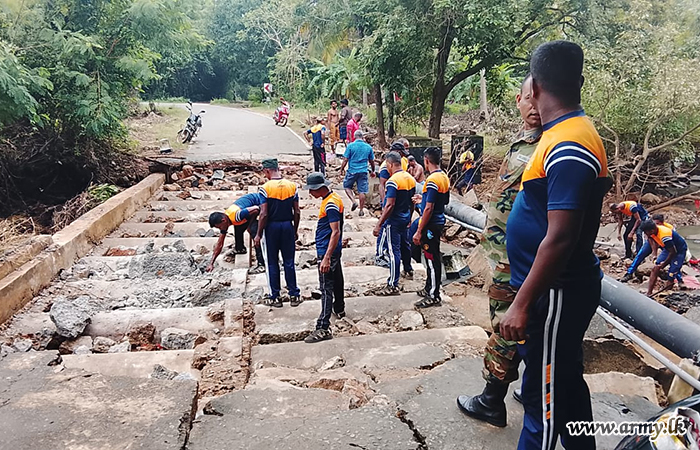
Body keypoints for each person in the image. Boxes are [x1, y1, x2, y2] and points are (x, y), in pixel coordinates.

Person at [497, 41, 611, 450]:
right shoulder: (562, 134)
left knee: (541, 400)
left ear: (534, 88)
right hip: (553, 291)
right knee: (566, 386)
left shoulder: (570, 146)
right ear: (580, 82)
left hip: (555, 293)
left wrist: (522, 303)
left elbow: (561, 236)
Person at [457, 73, 543, 427]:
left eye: (541, 97)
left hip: (518, 259)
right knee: (519, 324)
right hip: (502, 252)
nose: (534, 106)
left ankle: (492, 399)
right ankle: (532, 386)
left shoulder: (550, 145)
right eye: (528, 98)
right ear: (518, 101)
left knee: (506, 327)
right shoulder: (523, 142)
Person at [253, 158, 302, 308]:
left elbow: (264, 213)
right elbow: (297, 211)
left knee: (272, 262)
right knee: (289, 261)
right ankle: (294, 294)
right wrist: (295, 230)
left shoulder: (265, 188)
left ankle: (275, 296)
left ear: (267, 170)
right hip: (287, 225)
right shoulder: (292, 186)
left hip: (271, 228)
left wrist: (258, 233)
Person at [304, 172, 345, 343]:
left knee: (326, 287)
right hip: (332, 249)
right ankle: (339, 308)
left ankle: (323, 327)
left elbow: (335, 231)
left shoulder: (330, 205)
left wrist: (326, 257)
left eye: (311, 190)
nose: (309, 193)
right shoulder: (333, 198)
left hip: (327, 250)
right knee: (337, 279)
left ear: (319, 188)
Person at [411, 147, 450, 307]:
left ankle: (434, 295)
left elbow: (429, 208)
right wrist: (424, 198)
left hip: (430, 225)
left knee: (432, 259)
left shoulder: (432, 181)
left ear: (426, 161)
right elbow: (444, 201)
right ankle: (429, 287)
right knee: (430, 257)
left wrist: (419, 230)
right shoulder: (444, 177)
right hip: (438, 220)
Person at [373, 151, 416, 295]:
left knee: (393, 252)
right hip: (405, 217)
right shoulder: (410, 179)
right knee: (405, 245)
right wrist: (410, 217)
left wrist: (379, 224)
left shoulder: (392, 182)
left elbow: (389, 205)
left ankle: (392, 284)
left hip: (393, 221)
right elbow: (412, 202)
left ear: (390, 164)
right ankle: (408, 269)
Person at [207, 193, 266, 274]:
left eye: (219, 227)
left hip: (260, 202)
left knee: (254, 233)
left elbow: (256, 209)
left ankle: (261, 264)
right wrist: (211, 263)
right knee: (238, 226)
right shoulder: (227, 218)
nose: (220, 229)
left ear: (223, 220)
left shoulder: (236, 216)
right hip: (248, 210)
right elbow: (220, 243)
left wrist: (249, 225)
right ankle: (240, 248)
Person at [620, 220, 687, 290]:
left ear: (651, 231)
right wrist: (654, 254)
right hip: (667, 248)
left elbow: (673, 252)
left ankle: (670, 288)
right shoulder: (653, 231)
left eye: (646, 232)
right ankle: (649, 292)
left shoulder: (664, 236)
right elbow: (652, 239)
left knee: (671, 274)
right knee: (656, 267)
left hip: (679, 250)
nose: (645, 234)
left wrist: (664, 264)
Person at [376, 142, 411, 268]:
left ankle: (404, 263)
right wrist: (384, 203)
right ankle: (380, 255)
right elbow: (382, 185)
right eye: (401, 153)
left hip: (399, 200)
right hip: (391, 199)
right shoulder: (386, 168)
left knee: (399, 237)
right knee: (384, 228)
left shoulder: (401, 163)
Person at [340, 130, 375, 217]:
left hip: (352, 170)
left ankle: (353, 201)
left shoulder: (350, 146)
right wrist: (373, 170)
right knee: (361, 191)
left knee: (347, 186)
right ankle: (361, 210)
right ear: (362, 137)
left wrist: (342, 169)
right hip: (363, 171)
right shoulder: (368, 147)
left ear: (354, 136)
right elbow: (372, 161)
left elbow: (345, 159)